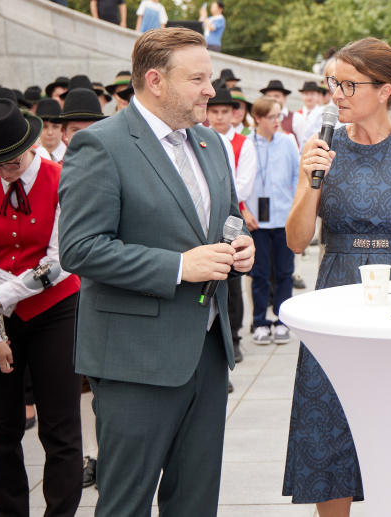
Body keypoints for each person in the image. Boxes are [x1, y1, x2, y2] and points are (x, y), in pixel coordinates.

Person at [58, 27, 256, 516]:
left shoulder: (210, 142)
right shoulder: (100, 144)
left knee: (195, 504)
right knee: (125, 505)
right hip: (135, 361)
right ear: (155, 81)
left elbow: (226, 218)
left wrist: (238, 249)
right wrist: (179, 266)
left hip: (207, 355)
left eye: (209, 78)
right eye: (198, 79)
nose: (211, 90)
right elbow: (79, 249)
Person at [283, 37, 391, 517]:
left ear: (385, 89)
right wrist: (311, 181)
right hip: (336, 291)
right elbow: (297, 240)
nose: (336, 94)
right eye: (333, 82)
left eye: (348, 84)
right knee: (329, 417)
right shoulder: (321, 147)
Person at [0, 98, 83, 516]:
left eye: (11, 163)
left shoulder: (65, 178)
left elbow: (60, 261)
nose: (2, 173)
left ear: (31, 145)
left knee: (60, 427)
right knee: (0, 428)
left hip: (56, 311)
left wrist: (0, 296)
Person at [205, 88, 257, 362]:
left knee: (232, 280)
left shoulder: (241, 143)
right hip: (206, 219)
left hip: (229, 216)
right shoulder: (200, 138)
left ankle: (234, 337)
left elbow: (242, 186)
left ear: (233, 113)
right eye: (214, 111)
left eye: (224, 111)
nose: (219, 116)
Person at [245, 97, 298, 344]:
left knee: (285, 272)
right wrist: (244, 210)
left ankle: (282, 321)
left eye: (279, 115)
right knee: (260, 273)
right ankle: (259, 322)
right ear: (258, 118)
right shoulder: (248, 144)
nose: (278, 121)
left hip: (284, 218)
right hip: (257, 221)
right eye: (272, 117)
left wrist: (295, 206)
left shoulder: (287, 142)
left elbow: (297, 175)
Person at [34, 98, 66, 162]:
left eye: (56, 127)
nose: (50, 132)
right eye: (44, 127)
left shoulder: (71, 155)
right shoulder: (31, 156)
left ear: (63, 128)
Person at [293, 81, 322, 148]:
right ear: (302, 96)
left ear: (318, 96)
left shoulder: (322, 115)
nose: (309, 97)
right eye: (306, 94)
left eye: (312, 94)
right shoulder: (296, 115)